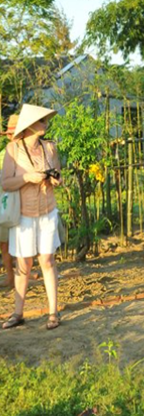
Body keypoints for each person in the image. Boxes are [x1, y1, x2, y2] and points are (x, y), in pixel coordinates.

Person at [1, 104, 63, 330]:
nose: (46, 123)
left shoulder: (50, 148)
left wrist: (55, 180)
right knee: (24, 264)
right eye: (41, 120)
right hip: (24, 214)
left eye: (46, 120)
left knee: (47, 261)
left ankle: (53, 313)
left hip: (47, 210)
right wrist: (28, 177)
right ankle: (18, 313)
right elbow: (6, 183)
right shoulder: (13, 150)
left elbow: (58, 175)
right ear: (30, 125)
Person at [0, 115, 19, 287]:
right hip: (4, 203)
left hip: (21, 202)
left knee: (21, 245)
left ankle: (21, 277)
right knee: (4, 244)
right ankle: (10, 276)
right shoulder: (3, 154)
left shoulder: (25, 152)